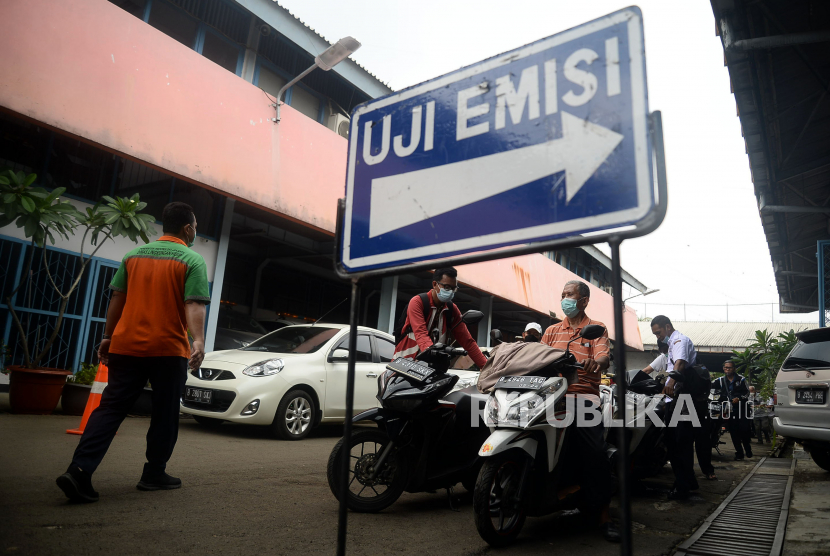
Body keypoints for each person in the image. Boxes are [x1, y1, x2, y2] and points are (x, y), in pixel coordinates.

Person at [56, 202, 210, 502]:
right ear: (188, 229)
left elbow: (117, 297)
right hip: (167, 350)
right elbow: (194, 303)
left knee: (110, 408)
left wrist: (107, 337)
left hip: (126, 347)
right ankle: (153, 474)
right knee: (165, 414)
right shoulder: (192, 259)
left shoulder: (133, 255)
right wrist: (199, 341)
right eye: (195, 228)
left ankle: (78, 471)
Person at [541, 280, 619, 543]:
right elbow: (536, 357)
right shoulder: (551, 331)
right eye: (562, 294)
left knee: (596, 454)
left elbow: (603, 357)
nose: (565, 299)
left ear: (584, 300)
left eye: (570, 295)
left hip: (582, 396)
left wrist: (595, 362)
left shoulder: (596, 329)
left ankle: (604, 516)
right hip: (550, 396)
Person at [651, 315, 716, 499]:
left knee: (680, 443)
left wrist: (670, 383)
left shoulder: (679, 340)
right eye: (655, 334)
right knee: (675, 442)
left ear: (668, 327)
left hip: (684, 399)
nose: (658, 337)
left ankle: (683, 486)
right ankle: (688, 481)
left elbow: (679, 364)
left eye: (659, 332)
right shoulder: (671, 344)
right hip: (678, 399)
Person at [393, 267, 487, 368]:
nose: (450, 291)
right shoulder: (417, 302)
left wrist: (486, 367)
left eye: (453, 288)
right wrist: (432, 352)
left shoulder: (452, 309)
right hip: (404, 362)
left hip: (432, 366)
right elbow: (420, 333)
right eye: (446, 287)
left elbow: (468, 342)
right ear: (434, 284)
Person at [713, 361, 753, 460]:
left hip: (742, 409)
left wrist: (739, 398)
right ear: (723, 368)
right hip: (728, 410)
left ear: (734, 368)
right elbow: (710, 388)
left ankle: (747, 449)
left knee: (744, 430)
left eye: (729, 368)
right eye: (726, 367)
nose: (727, 369)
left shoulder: (741, 379)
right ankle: (739, 453)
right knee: (734, 432)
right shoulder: (720, 380)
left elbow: (747, 392)